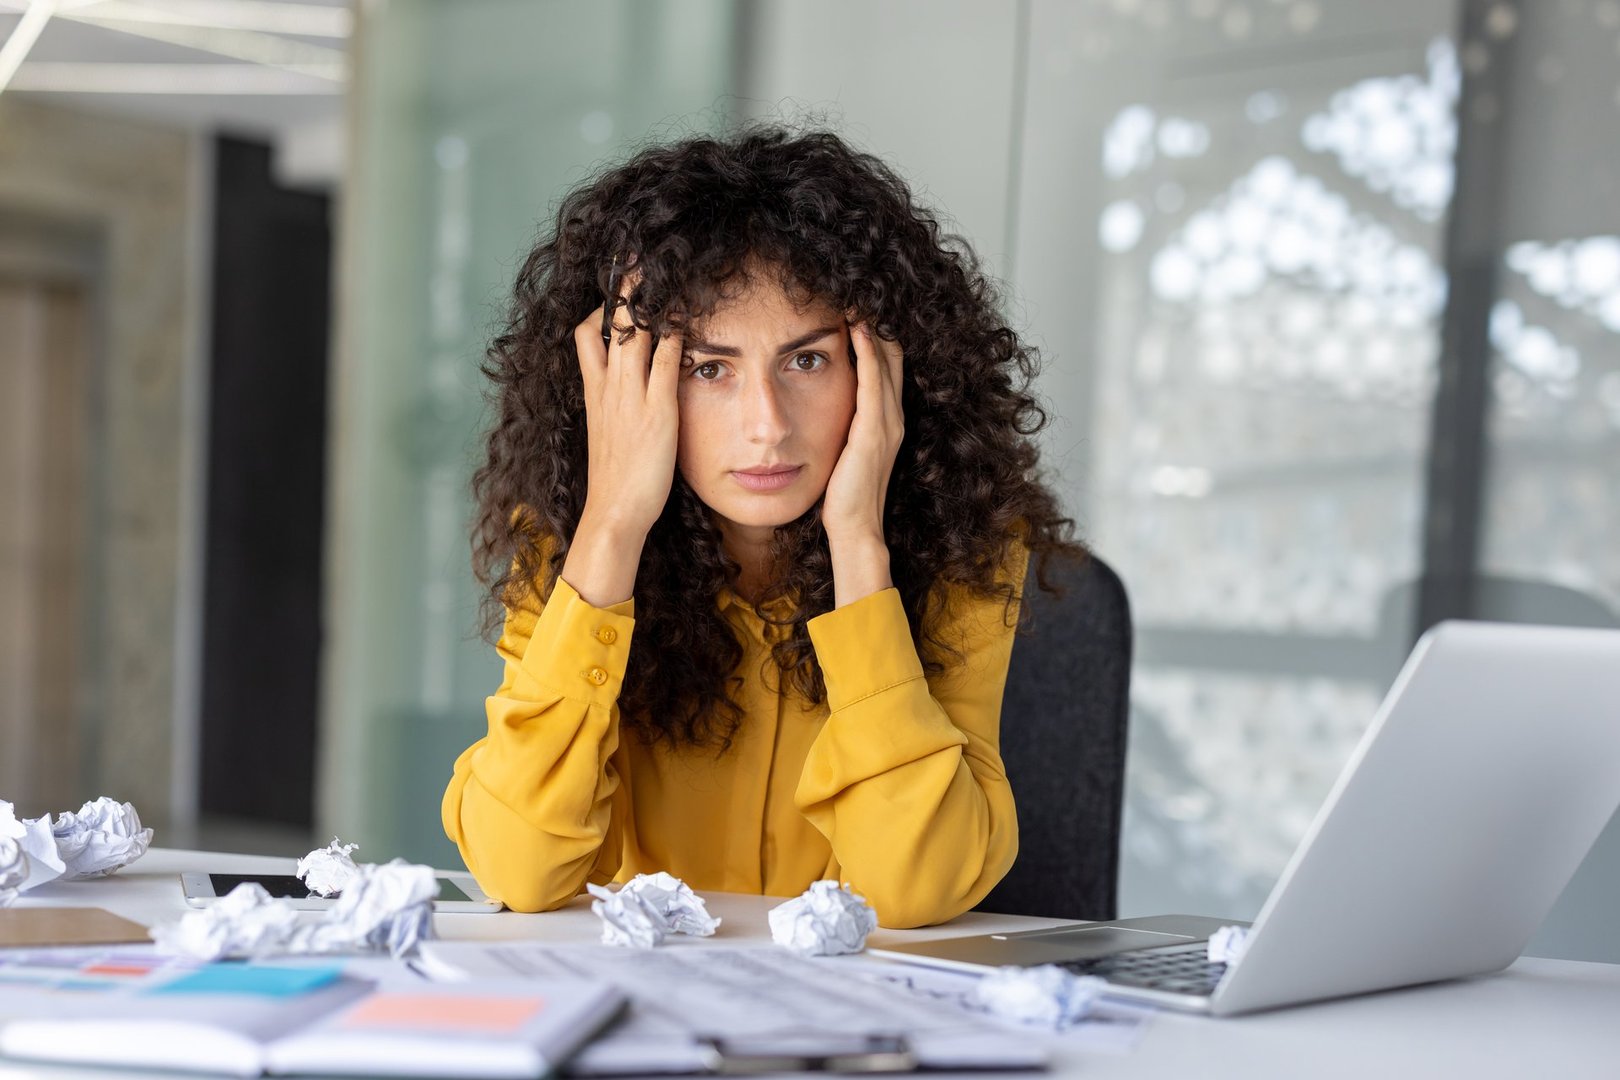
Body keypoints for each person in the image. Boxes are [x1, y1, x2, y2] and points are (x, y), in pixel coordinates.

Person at [443, 125, 1085, 928]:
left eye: (808, 360)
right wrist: (610, 525)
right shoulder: (569, 547)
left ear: (886, 366)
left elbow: (916, 887)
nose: (766, 426)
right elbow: (519, 868)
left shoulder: (966, 552)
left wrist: (861, 551)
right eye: (709, 369)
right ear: (624, 386)